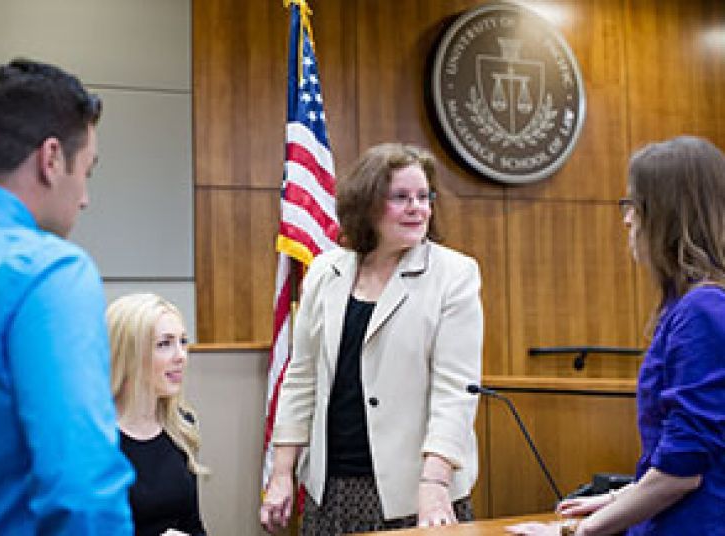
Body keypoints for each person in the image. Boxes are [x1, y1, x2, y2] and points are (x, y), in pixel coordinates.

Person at [0, 59, 134, 533]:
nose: (84, 198)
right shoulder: (49, 272)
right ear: (51, 159)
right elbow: (81, 490)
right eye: (88, 170)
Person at [260, 143, 484, 534]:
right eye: (400, 197)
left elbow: (455, 392)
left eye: (424, 196)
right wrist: (282, 472)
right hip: (330, 488)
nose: (418, 207)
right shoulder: (325, 271)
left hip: (415, 489)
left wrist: (435, 482)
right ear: (366, 204)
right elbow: (301, 377)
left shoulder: (454, 275)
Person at [508, 136, 725, 536]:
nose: (627, 219)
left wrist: (574, 533)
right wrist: (616, 498)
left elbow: (684, 473)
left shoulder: (703, 310)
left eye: (634, 204)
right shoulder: (689, 305)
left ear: (668, 214)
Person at [107, 293, 208, 536]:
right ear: (127, 354)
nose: (181, 356)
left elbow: (192, 524)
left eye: (183, 341)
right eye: (164, 344)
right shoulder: (94, 439)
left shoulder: (182, 426)